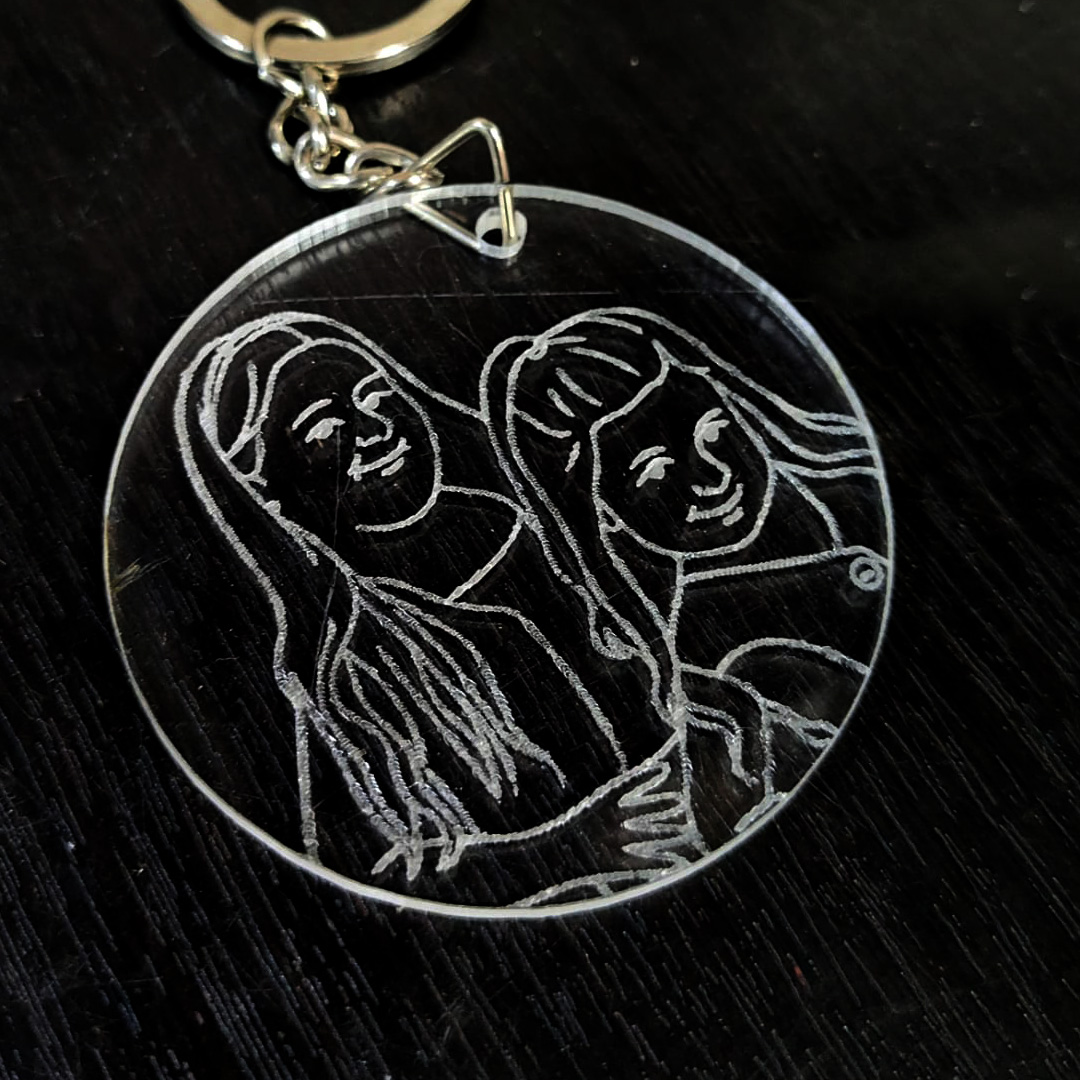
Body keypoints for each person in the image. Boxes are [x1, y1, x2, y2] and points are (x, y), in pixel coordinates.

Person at [174, 311, 634, 895]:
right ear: (265, 493)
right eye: (325, 430)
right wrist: (567, 848)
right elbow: (362, 862)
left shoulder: (541, 524)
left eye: (376, 396)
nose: (374, 429)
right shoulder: (339, 668)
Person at [481, 307, 889, 855]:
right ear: (596, 507)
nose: (712, 474)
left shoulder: (855, 490)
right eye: (655, 472)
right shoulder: (698, 663)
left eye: (713, 431)